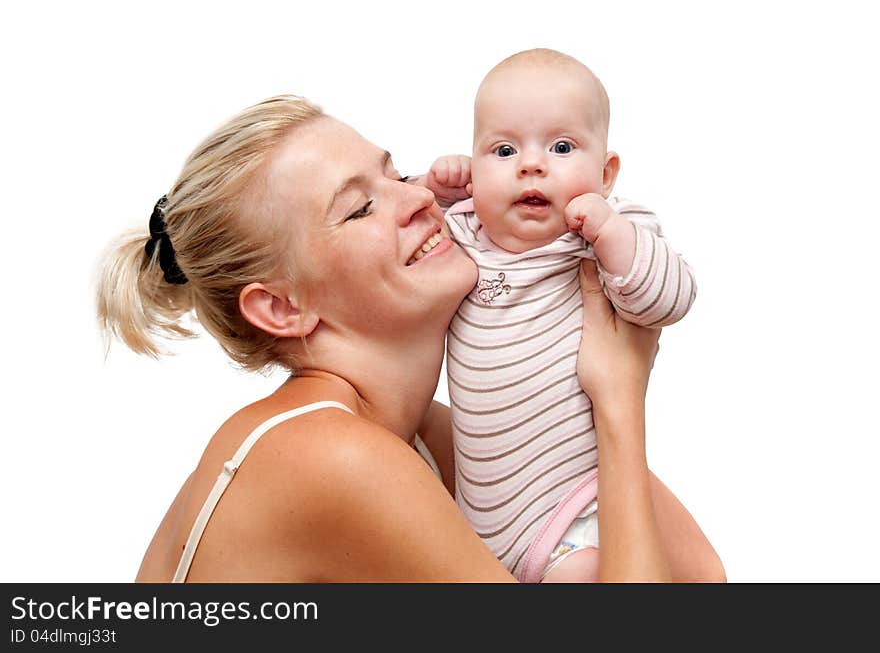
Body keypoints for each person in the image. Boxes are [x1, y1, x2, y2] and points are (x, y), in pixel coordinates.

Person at [96, 94, 723, 582]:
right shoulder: (331, 456)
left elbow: (699, 579)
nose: (420, 198)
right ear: (282, 307)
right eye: (359, 208)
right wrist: (619, 397)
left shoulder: (424, 436)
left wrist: (556, 303)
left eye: (395, 173)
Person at [418, 49, 698, 582]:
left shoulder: (603, 237)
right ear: (474, 171)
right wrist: (434, 190)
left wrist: (612, 235)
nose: (531, 163)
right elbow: (392, 231)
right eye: (502, 150)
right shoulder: (467, 236)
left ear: (606, 172)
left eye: (562, 147)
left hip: (577, 512)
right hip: (483, 523)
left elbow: (672, 297)